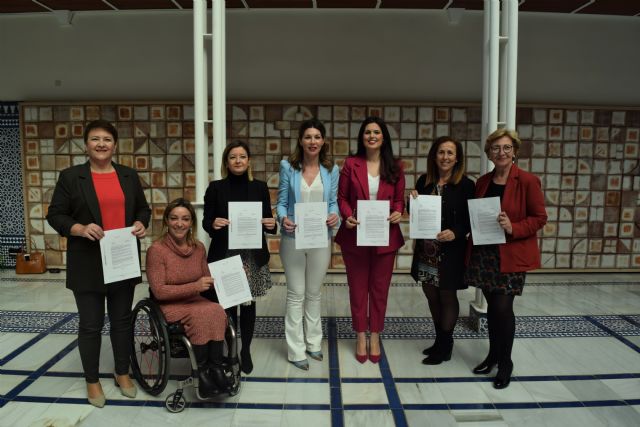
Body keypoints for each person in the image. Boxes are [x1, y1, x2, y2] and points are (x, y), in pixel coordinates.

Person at [46, 120, 150, 408]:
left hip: (122, 259)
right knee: (91, 325)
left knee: (121, 321)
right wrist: (79, 228)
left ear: (115, 145)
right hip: (87, 261)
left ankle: (122, 372)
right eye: (95, 139)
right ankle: (92, 380)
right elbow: (55, 214)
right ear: (86, 144)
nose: (101, 144)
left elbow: (143, 208)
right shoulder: (71, 177)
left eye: (107, 139)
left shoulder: (128, 176)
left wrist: (142, 222)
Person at [466, 128, 547, 389]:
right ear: (489, 153)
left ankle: (506, 361)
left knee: (503, 309)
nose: (501, 152)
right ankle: (492, 355)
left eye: (506, 148)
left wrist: (514, 227)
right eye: (496, 148)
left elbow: (539, 217)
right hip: (485, 254)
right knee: (492, 308)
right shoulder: (483, 181)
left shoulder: (527, 180)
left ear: (515, 151)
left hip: (511, 252)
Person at [202, 140, 277, 374]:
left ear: (248, 161)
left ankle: (245, 350)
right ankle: (231, 347)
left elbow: (268, 220)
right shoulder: (215, 188)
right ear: (226, 162)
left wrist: (272, 224)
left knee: (248, 304)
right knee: (227, 305)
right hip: (225, 253)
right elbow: (206, 221)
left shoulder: (259, 187)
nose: (238, 161)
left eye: (242, 156)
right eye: (233, 157)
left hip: (251, 254)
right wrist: (213, 223)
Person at [335, 116, 405, 364]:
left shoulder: (395, 167)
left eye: (376, 132)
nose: (372, 136)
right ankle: (360, 334)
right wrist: (347, 216)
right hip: (355, 235)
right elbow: (341, 197)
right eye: (367, 132)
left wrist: (398, 211)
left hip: (385, 237)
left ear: (383, 137)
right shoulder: (351, 164)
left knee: (379, 290)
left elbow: (399, 200)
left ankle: (375, 335)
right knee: (357, 289)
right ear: (362, 137)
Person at [145, 199, 232, 398]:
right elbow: (158, 291)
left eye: (185, 219)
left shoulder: (198, 247)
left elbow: (206, 275)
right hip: (168, 305)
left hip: (194, 301)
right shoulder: (156, 251)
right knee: (202, 313)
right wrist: (195, 286)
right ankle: (202, 374)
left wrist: (232, 273)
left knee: (216, 310)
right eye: (174, 218)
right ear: (166, 221)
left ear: (191, 222)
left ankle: (216, 368)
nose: (179, 223)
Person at [276, 118, 340, 370]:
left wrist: (336, 215)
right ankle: (295, 350)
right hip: (293, 238)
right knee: (295, 294)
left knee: (314, 293)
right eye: (308, 137)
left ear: (323, 141)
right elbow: (281, 201)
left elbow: (333, 201)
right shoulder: (288, 167)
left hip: (320, 238)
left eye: (317, 137)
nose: (312, 141)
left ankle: (314, 343)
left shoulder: (331, 169)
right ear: (300, 141)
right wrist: (283, 218)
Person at [409, 136, 475, 365]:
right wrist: (412, 201)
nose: (445, 157)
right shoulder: (423, 182)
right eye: (441, 152)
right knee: (431, 295)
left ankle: (446, 344)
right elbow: (416, 214)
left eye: (450, 153)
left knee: (447, 295)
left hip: (451, 250)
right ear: (434, 156)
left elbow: (470, 219)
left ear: (457, 158)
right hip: (427, 251)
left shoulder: (467, 185)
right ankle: (439, 340)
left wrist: (456, 232)